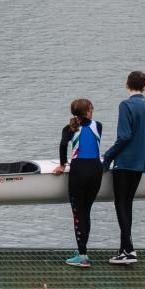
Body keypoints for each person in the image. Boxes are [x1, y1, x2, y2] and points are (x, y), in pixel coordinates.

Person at [100, 70, 145, 266]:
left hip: (125, 161)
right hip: (140, 162)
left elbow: (124, 136)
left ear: (127, 84)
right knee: (127, 204)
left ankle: (128, 249)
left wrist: (108, 155)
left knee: (120, 203)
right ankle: (125, 248)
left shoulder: (126, 105)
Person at [54, 98, 104, 268]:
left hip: (79, 171)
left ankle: (82, 256)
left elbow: (63, 145)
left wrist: (62, 165)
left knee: (78, 213)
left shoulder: (69, 128)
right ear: (88, 110)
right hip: (96, 170)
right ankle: (83, 252)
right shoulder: (98, 125)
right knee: (86, 211)